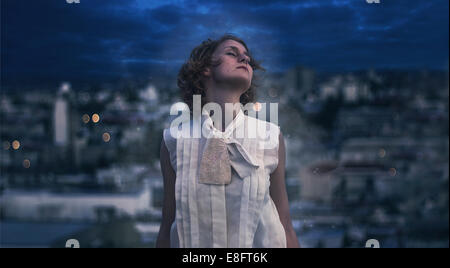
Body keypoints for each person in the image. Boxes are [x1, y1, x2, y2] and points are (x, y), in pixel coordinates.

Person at [156, 34, 300, 248]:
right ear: (205, 68)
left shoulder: (270, 137)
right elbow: (168, 225)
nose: (244, 59)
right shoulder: (174, 141)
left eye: (247, 59)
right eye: (232, 53)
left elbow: (284, 224)